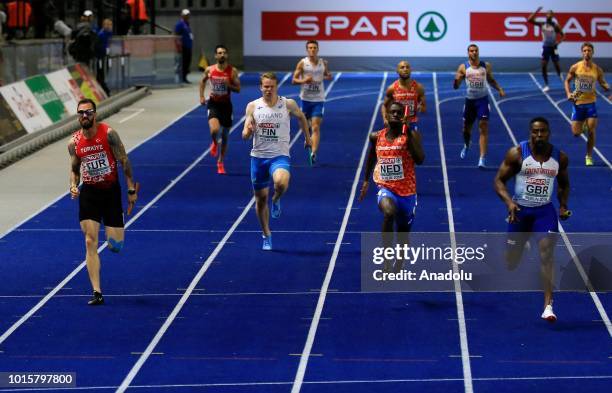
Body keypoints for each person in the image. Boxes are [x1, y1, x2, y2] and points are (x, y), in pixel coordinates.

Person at [494, 117, 570, 322]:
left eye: (542, 131)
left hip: (544, 212)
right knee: (511, 263)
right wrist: (509, 202)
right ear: (530, 133)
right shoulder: (517, 154)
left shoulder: (559, 158)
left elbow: (563, 184)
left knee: (547, 254)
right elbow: (499, 181)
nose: (538, 135)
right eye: (535, 132)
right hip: (520, 212)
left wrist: (563, 205)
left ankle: (548, 306)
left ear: (548, 133)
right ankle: (523, 243)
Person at [68, 98, 138, 305]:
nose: (84, 116)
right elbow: (74, 169)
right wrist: (73, 185)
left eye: (88, 112)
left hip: (110, 192)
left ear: (95, 114)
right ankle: (97, 292)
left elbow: (124, 160)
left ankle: (113, 239)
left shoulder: (108, 134)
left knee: (115, 246)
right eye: (81, 113)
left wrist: (131, 188)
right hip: (89, 193)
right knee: (90, 240)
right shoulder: (74, 143)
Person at [242, 72, 312, 250]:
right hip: (258, 158)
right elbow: (244, 135)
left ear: (276, 87)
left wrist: (307, 137)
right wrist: (249, 130)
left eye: (271, 86)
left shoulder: (287, 104)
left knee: (281, 183)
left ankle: (277, 198)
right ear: (261, 87)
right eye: (265, 86)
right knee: (260, 200)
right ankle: (266, 234)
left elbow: (302, 117)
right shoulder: (253, 106)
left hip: (279, 156)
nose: (268, 89)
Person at [359, 101, 425, 272]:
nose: (395, 115)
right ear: (386, 116)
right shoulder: (376, 136)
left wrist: (408, 133)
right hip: (386, 188)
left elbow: (420, 159)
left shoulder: (411, 136)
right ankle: (387, 263)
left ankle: (400, 262)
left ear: (404, 116)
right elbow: (371, 158)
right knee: (388, 213)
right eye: (392, 112)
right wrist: (366, 181)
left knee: (403, 232)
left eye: (399, 113)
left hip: (407, 192)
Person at [454, 44, 505, 168]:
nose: (474, 53)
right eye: (472, 51)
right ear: (468, 53)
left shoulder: (485, 66)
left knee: (483, 127)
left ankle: (482, 158)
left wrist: (500, 89)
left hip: (482, 101)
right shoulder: (463, 67)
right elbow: (455, 87)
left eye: (476, 50)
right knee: (466, 129)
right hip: (470, 101)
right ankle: (466, 145)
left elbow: (491, 80)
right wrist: (457, 80)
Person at [564, 42, 610, 166]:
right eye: (584, 50)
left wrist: (606, 87)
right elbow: (567, 81)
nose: (587, 53)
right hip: (578, 103)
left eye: (589, 50)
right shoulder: (575, 67)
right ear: (582, 52)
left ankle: (589, 156)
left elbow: (602, 82)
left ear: (592, 53)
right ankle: (582, 125)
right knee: (576, 133)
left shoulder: (597, 69)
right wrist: (568, 93)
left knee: (591, 130)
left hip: (591, 103)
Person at [199, 44, 241, 174]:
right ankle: (214, 142)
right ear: (216, 55)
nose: (222, 55)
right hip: (213, 103)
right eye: (219, 53)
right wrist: (201, 96)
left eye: (224, 52)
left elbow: (238, 89)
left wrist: (229, 86)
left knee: (225, 136)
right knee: (215, 130)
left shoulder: (232, 71)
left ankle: (220, 162)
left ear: (227, 55)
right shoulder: (209, 70)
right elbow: (202, 81)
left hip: (226, 105)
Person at [291, 40, 331, 164]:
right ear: (307, 50)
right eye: (310, 48)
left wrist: (328, 76)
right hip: (305, 99)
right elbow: (293, 80)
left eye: (314, 47)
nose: (312, 50)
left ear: (317, 49)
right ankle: (307, 138)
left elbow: (327, 75)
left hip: (318, 99)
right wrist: (304, 80)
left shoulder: (323, 63)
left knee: (316, 126)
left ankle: (313, 152)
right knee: (303, 125)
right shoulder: (302, 63)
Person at [527, 7, 565, 92]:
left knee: (556, 64)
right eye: (547, 13)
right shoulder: (542, 24)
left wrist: (558, 42)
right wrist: (537, 11)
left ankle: (560, 75)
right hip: (545, 47)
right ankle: (547, 85)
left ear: (552, 16)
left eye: (550, 14)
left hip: (554, 47)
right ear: (546, 15)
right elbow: (529, 20)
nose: (549, 15)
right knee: (544, 66)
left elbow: (563, 36)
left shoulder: (555, 25)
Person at [381, 60, 426, 131]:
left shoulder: (418, 87)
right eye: (402, 67)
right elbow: (384, 106)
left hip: (412, 122)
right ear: (397, 71)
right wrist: (385, 118)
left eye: (407, 67)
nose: (405, 69)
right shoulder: (392, 88)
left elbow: (424, 108)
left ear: (411, 70)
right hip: (397, 123)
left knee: (414, 141)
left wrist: (421, 108)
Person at [174, 9, 193, 84]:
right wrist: (178, 45)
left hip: (188, 46)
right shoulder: (180, 24)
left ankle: (184, 77)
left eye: (188, 15)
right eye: (186, 15)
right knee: (183, 62)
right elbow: (176, 35)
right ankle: (181, 78)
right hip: (183, 46)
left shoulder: (187, 24)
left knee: (187, 62)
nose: (187, 16)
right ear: (182, 15)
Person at [95, 18, 113, 96]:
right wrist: (105, 52)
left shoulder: (109, 34)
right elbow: (99, 46)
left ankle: (105, 90)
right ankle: (105, 91)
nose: (109, 26)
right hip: (101, 58)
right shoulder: (101, 34)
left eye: (110, 25)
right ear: (104, 25)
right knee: (100, 75)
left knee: (103, 75)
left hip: (106, 57)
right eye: (107, 24)